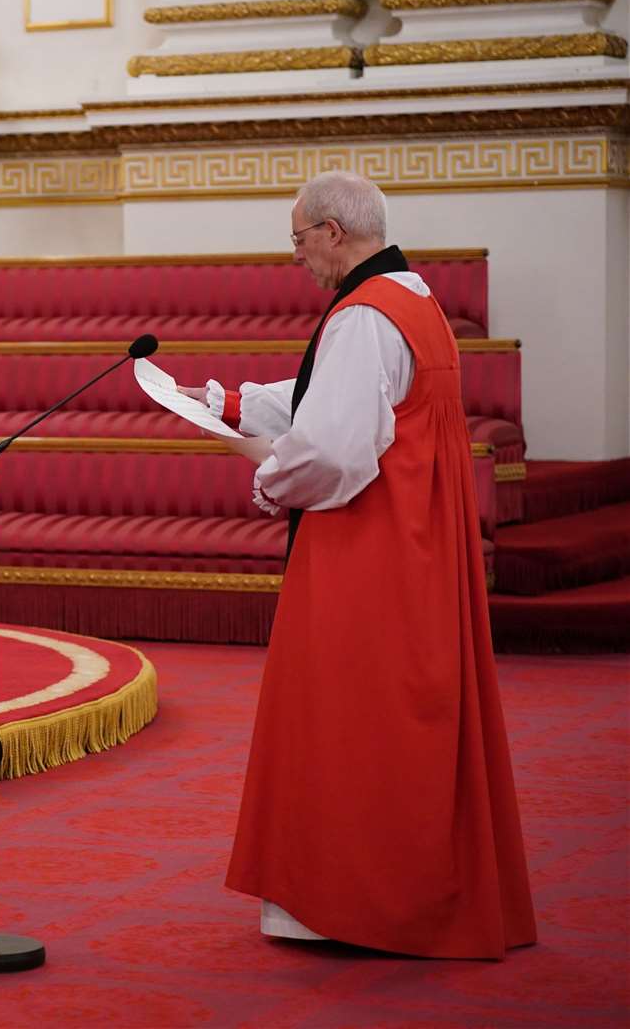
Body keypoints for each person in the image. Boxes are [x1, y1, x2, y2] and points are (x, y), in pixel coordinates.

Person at [193, 171, 535, 958]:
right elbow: (340, 397)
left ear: (333, 232)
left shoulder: (360, 317)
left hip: (367, 548)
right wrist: (231, 399)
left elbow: (334, 447)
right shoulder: (414, 301)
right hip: (418, 546)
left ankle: (348, 902)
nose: (297, 257)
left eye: (298, 239)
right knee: (403, 719)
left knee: (345, 720)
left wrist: (265, 475)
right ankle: (408, 890)